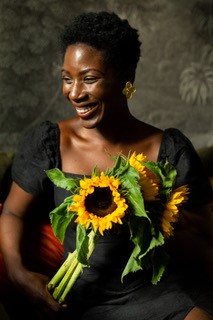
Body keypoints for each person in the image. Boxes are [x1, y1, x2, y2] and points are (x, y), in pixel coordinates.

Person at [0, 11, 213, 320]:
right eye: (66, 79)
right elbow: (12, 211)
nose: (74, 93)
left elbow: (205, 240)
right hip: (83, 299)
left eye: (89, 79)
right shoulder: (50, 142)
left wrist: (147, 211)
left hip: (161, 291)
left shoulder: (167, 149)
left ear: (126, 77)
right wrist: (18, 273)